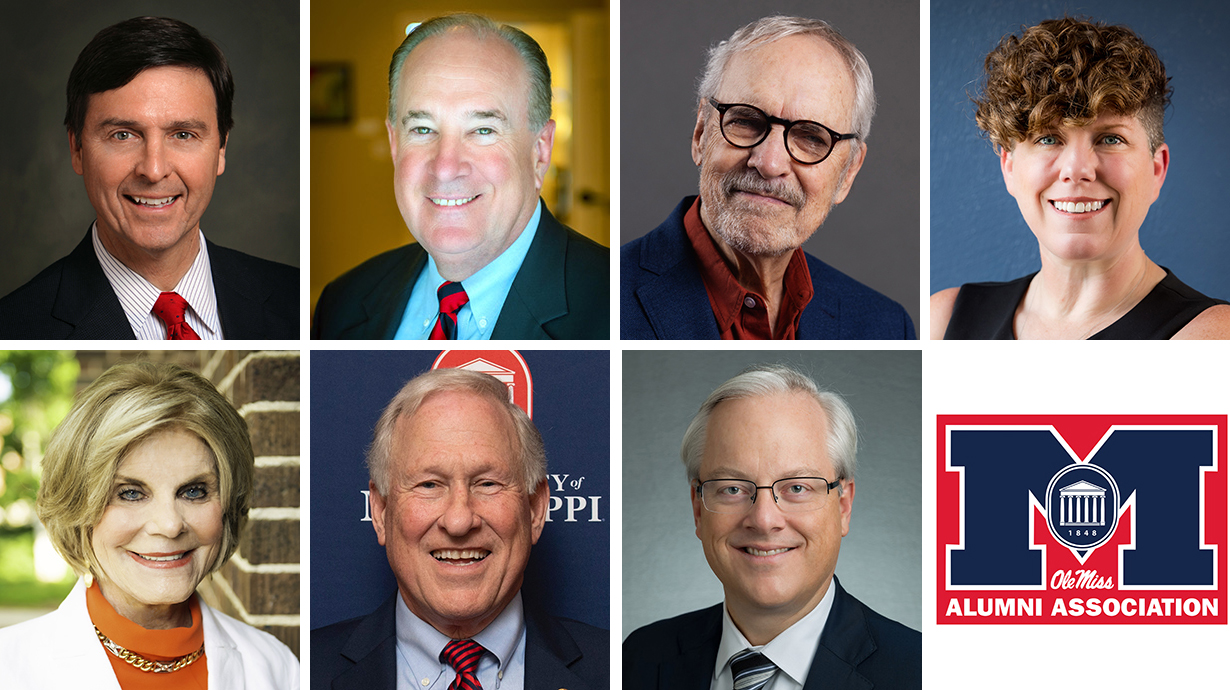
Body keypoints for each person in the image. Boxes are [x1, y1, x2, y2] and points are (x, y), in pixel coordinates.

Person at [0, 362, 299, 689]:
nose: (170, 525)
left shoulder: (276, 666)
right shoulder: (9, 667)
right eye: (130, 493)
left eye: (194, 491)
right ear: (77, 505)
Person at [312, 14, 608, 340]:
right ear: (395, 143)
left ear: (540, 151)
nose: (445, 167)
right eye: (423, 129)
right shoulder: (342, 303)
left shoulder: (615, 305)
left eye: (483, 130)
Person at [0, 17, 298, 340]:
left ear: (222, 148)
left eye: (183, 134)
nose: (154, 170)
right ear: (77, 148)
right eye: (123, 135)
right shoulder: (15, 326)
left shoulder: (294, 301)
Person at [931, 17, 1230, 339]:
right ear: (1010, 168)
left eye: (1110, 139)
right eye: (1047, 139)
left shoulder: (1209, 336)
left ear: (1157, 169)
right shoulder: (945, 318)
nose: (1076, 170)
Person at [623, 365, 920, 689]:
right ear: (698, 509)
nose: (764, 520)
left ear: (843, 505)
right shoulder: (638, 660)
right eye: (732, 489)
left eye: (797, 488)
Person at [620, 16, 914, 340]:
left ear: (849, 172)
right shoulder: (607, 297)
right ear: (701, 133)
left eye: (812, 137)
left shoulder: (885, 326)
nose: (770, 163)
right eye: (746, 120)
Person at [311, 368, 608, 688]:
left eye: (487, 483)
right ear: (380, 511)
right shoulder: (304, 671)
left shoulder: (615, 668)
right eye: (429, 485)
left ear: (535, 509)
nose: (459, 521)